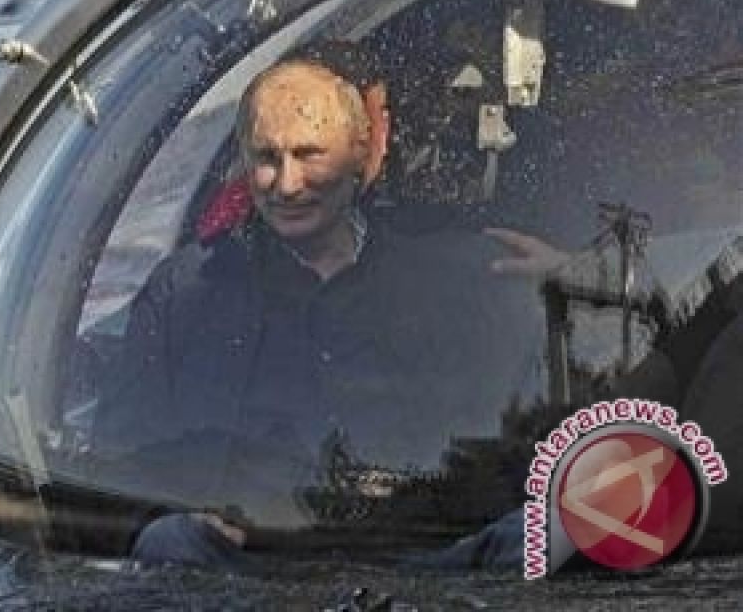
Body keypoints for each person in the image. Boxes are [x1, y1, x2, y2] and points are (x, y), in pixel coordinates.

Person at [90, 58, 537, 567]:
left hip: (430, 562)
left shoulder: (452, 283)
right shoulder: (185, 294)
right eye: (267, 157)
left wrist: (584, 275)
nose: (287, 184)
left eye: (309, 155)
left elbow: (518, 440)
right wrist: (178, 512)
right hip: (250, 569)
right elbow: (119, 461)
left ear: (361, 154)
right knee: (169, 541)